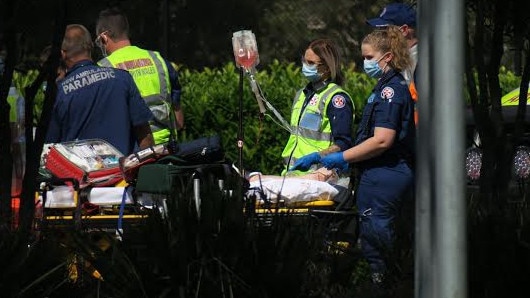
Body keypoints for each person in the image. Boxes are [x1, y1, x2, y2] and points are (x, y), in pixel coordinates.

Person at [295, 26, 416, 294]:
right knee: (374, 242)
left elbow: (383, 140)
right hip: (376, 175)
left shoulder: (391, 91)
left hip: (385, 175)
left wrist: (340, 158)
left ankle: (384, 289)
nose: (365, 63)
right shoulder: (383, 87)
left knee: (378, 245)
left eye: (369, 57)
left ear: (387, 57)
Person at [45, 24, 154, 156]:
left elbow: (50, 148)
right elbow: (145, 135)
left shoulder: (59, 93)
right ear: (91, 46)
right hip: (123, 173)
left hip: (80, 175)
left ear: (62, 54)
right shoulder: (122, 78)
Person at [95, 7, 184, 146]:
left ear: (104, 37)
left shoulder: (102, 68)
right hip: (167, 148)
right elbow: (179, 121)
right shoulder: (158, 59)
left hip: (132, 152)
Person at [284, 38, 355, 180]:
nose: (305, 66)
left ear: (327, 67)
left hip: (321, 177)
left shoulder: (336, 99)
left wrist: (317, 157)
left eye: (311, 63)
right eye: (304, 61)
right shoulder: (301, 95)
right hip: (293, 174)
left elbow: (343, 143)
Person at [367, 2, 419, 124]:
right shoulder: (398, 62)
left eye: (384, 30)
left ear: (404, 30)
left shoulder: (422, 64)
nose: (380, 37)